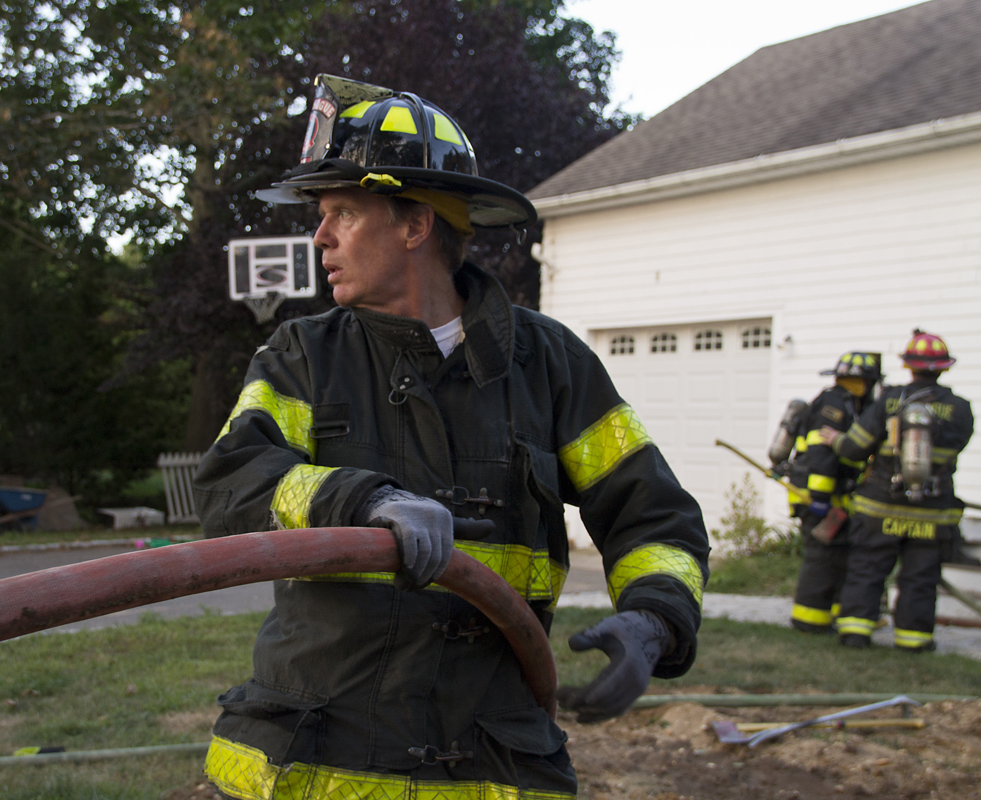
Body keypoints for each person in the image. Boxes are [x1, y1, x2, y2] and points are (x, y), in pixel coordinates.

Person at [194, 74, 709, 800]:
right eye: (321, 213)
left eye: (344, 210)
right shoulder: (304, 356)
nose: (320, 236)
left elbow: (652, 515)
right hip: (313, 758)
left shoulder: (551, 364)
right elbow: (230, 486)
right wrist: (362, 501)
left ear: (414, 225)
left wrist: (653, 620)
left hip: (492, 761)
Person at [822, 330, 974, 652]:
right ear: (944, 368)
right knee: (920, 578)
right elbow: (955, 449)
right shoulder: (960, 409)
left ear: (909, 366)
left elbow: (855, 447)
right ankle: (914, 640)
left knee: (867, 569)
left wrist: (834, 438)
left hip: (881, 507)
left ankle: (854, 633)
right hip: (933, 512)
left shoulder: (890, 400)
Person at [788, 352, 881, 634]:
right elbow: (821, 455)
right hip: (816, 495)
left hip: (835, 496)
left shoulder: (852, 405)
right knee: (823, 558)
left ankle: (836, 614)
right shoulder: (834, 405)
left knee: (840, 556)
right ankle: (809, 620)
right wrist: (819, 499)